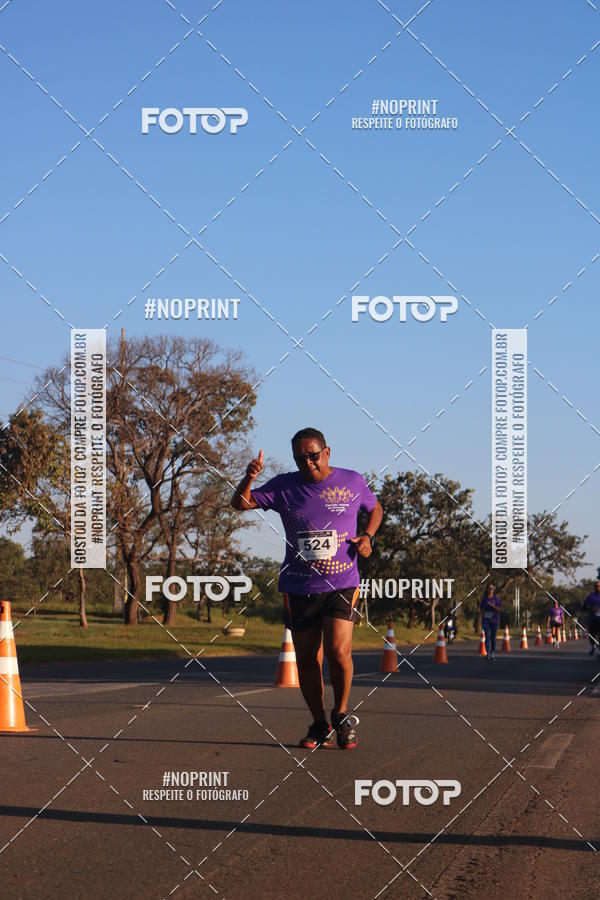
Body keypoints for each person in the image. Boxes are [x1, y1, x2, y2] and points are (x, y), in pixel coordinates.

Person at [231, 428, 383, 750]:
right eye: (301, 459)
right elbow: (241, 503)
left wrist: (368, 536)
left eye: (314, 456)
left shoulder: (352, 481)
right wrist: (249, 477)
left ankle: (340, 714)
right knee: (306, 659)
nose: (308, 463)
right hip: (299, 586)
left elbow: (376, 508)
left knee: (338, 651)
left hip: (343, 581)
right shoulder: (285, 486)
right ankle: (319, 723)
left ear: (327, 452)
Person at [480, 584, 501, 660]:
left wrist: (492, 606)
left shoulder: (496, 599)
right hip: (486, 620)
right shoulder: (484, 599)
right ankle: (488, 653)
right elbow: (481, 610)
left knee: (493, 638)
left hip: (494, 620)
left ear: (493, 590)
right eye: (489, 588)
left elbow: (499, 609)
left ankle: (493, 652)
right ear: (487, 589)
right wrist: (482, 612)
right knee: (487, 637)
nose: (490, 590)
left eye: (492, 588)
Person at [580, 580, 600, 656]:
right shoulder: (590, 596)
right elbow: (583, 606)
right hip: (593, 619)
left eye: (599, 586)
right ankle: (593, 646)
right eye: (596, 586)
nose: (598, 587)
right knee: (592, 635)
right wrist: (591, 609)